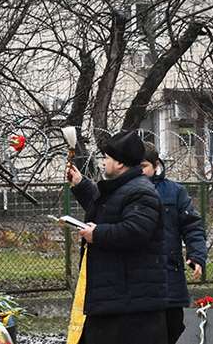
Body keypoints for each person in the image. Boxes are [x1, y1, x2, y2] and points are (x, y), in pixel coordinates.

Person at [65, 131, 168, 344]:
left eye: (107, 158)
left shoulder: (141, 192)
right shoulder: (123, 188)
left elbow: (135, 230)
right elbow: (107, 210)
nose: (103, 163)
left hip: (131, 307)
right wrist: (80, 184)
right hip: (116, 299)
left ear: (120, 163)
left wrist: (97, 234)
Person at [140, 141, 207, 344]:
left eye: (143, 166)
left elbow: (192, 226)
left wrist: (197, 256)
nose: (139, 171)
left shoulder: (174, 192)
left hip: (169, 274)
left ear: (155, 165)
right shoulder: (124, 192)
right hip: (138, 277)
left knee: (173, 327)